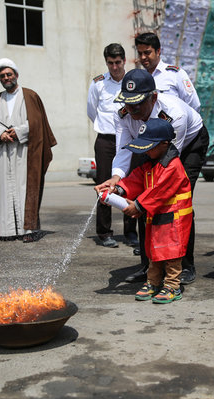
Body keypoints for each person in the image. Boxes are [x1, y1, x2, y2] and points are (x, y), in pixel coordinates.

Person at [94, 69, 209, 285]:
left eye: (137, 104)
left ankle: (184, 266)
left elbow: (167, 168)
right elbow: (124, 150)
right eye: (128, 104)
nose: (132, 110)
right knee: (147, 201)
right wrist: (116, 180)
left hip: (188, 144)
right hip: (150, 147)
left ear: (153, 97)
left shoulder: (174, 114)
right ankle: (149, 266)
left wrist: (140, 204)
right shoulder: (123, 114)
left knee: (177, 203)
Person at [110, 118, 192, 303]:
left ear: (164, 144)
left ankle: (172, 286)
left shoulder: (173, 166)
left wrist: (138, 206)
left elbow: (159, 190)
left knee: (171, 254)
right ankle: (153, 282)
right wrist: (119, 189)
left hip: (174, 219)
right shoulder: (150, 164)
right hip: (157, 217)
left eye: (149, 146)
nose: (146, 150)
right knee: (154, 252)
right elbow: (136, 179)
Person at [0, 58, 57, 243]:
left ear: (16, 75)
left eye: (9, 74)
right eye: (2, 76)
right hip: (3, 152)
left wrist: (19, 131)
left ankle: (27, 230)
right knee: (4, 190)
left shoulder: (30, 95)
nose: (6, 78)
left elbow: (37, 122)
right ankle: (7, 230)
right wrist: (1, 133)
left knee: (24, 188)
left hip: (25, 151)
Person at [87, 43, 138, 249]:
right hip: (106, 140)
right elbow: (92, 111)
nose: (115, 67)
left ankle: (130, 231)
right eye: (110, 63)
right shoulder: (98, 84)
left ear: (124, 61)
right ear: (106, 62)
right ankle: (105, 232)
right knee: (104, 184)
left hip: (131, 140)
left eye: (118, 62)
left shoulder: (132, 81)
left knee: (131, 185)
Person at [135, 32, 201, 112]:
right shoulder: (139, 78)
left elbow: (194, 105)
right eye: (140, 53)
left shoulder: (175, 74)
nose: (143, 57)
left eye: (147, 53)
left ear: (158, 51)